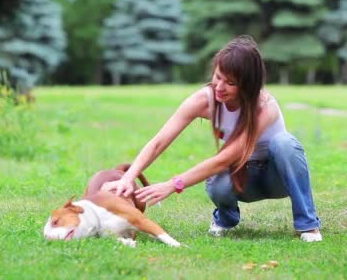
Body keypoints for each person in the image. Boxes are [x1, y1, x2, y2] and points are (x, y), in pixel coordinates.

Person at [102, 35, 322, 242]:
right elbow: (160, 141)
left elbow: (225, 159)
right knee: (216, 181)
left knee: (284, 144)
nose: (219, 86)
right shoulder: (204, 100)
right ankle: (226, 218)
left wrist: (173, 184)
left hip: (278, 178)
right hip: (244, 178)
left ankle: (307, 224)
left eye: (230, 82)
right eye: (217, 77)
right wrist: (128, 177)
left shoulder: (264, 107)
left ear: (248, 85)